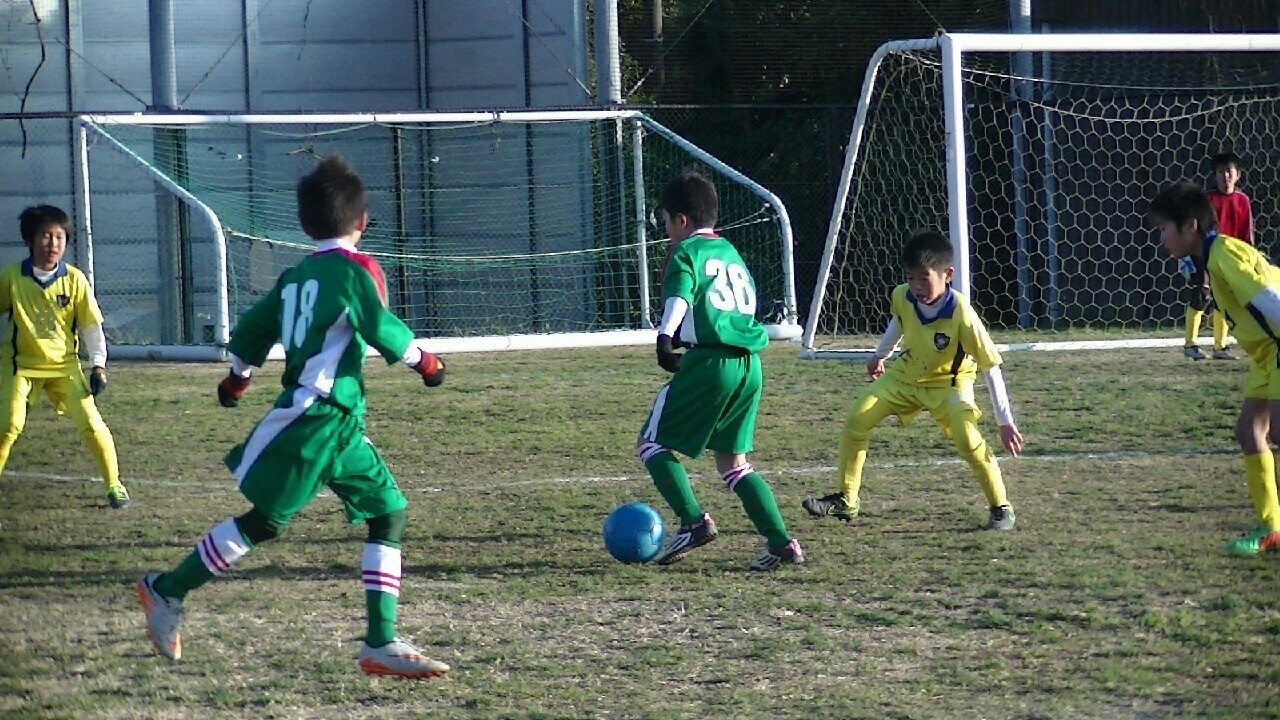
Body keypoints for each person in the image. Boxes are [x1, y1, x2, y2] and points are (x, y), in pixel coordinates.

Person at [136, 156, 451, 678]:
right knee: (265, 522)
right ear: (363, 221)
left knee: (389, 511)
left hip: (340, 424)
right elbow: (378, 324)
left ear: (305, 225)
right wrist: (427, 363)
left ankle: (380, 641)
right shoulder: (355, 273)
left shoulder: (296, 275)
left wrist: (237, 379)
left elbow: (255, 329)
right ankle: (165, 590)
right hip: (315, 419)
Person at [638, 170, 804, 572]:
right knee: (734, 465)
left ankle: (694, 521)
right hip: (750, 364)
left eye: (665, 220)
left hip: (711, 361)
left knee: (651, 444)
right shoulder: (729, 252)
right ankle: (781, 543)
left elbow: (681, 292)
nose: (665, 229)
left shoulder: (685, 253)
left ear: (680, 220)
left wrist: (665, 337)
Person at [802, 230, 1023, 531]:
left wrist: (1004, 421)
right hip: (906, 377)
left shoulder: (962, 313)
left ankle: (1001, 506)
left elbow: (991, 367)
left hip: (950, 385)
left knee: (967, 438)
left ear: (948, 275)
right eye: (910, 277)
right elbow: (900, 320)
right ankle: (846, 499)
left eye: (924, 277)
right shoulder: (901, 296)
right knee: (857, 419)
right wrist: (880, 354)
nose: (916, 287)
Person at [1151, 180, 1280, 556]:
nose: (1161, 239)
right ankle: (1271, 526)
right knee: (1249, 430)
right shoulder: (1210, 258)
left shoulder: (1224, 254)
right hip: (1266, 353)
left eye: (1163, 229)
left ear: (1189, 225)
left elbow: (1268, 300)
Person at [0, 205, 128, 509]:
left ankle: (114, 485)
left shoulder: (74, 279)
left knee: (92, 424)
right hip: (21, 366)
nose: (53, 244)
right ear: (30, 241)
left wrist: (98, 366)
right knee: (8, 426)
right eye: (45, 236)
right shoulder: (11, 278)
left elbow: (91, 327)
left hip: (64, 366)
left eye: (59, 237)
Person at [1182, 152, 1253, 361]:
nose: (1225, 176)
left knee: (1225, 298)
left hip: (1230, 255)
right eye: (1221, 172)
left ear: (1238, 175)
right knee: (1202, 295)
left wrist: (1247, 256)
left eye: (1229, 171)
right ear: (1215, 176)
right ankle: (1190, 344)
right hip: (1205, 253)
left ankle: (1220, 347)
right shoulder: (1207, 199)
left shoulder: (1243, 200)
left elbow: (1246, 234)